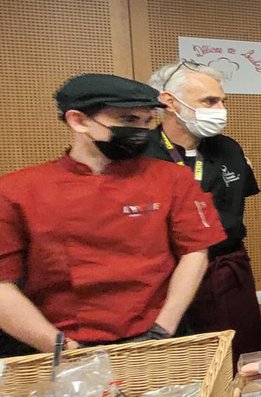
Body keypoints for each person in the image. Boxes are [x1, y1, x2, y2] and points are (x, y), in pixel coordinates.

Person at [0, 74, 223, 355]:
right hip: (54, 345)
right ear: (78, 120)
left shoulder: (171, 179)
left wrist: (161, 330)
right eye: (128, 121)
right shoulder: (16, 190)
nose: (141, 130)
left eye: (146, 121)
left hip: (156, 335)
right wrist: (64, 349)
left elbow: (195, 253)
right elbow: (2, 286)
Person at [145, 61, 261, 358]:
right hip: (166, 276)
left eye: (222, 101)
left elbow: (238, 199)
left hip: (226, 268)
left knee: (242, 356)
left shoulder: (228, 149)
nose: (220, 109)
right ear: (170, 102)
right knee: (184, 361)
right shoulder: (142, 155)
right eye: (210, 101)